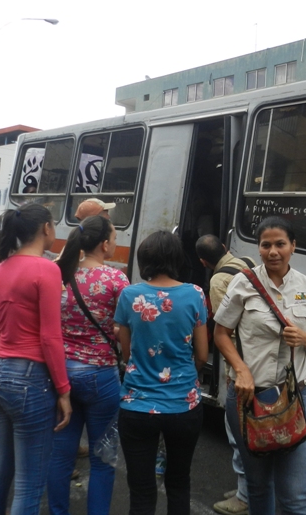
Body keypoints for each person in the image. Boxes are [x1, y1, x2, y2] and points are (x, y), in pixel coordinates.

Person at [213, 216, 306, 515]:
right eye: (266, 245)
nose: (273, 251)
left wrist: (304, 338)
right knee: (259, 487)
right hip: (249, 398)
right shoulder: (243, 282)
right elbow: (220, 333)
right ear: (259, 248)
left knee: (295, 495)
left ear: (293, 246)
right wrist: (241, 369)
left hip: (298, 398)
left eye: (280, 244)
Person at [0, 203, 72, 515]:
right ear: (46, 228)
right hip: (29, 381)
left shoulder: (1, 269)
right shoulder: (47, 269)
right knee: (29, 484)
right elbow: (50, 336)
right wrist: (63, 390)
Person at [115, 231, 209, 515]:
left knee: (141, 492)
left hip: (136, 406)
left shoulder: (130, 295)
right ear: (177, 259)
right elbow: (202, 355)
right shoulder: (194, 294)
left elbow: (126, 354)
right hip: (183, 404)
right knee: (179, 484)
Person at [47, 215, 130, 515]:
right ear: (104, 244)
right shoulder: (116, 279)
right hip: (101, 376)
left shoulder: (59, 274)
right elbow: (124, 329)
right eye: (115, 238)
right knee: (102, 458)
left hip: (62, 375)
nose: (116, 244)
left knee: (60, 456)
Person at [194, 235, 254, 515]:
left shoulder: (218, 282)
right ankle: (250, 486)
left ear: (204, 262)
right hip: (259, 355)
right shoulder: (248, 262)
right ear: (226, 249)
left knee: (238, 433)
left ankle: (245, 496)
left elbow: (225, 329)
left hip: (242, 362)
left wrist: (233, 369)